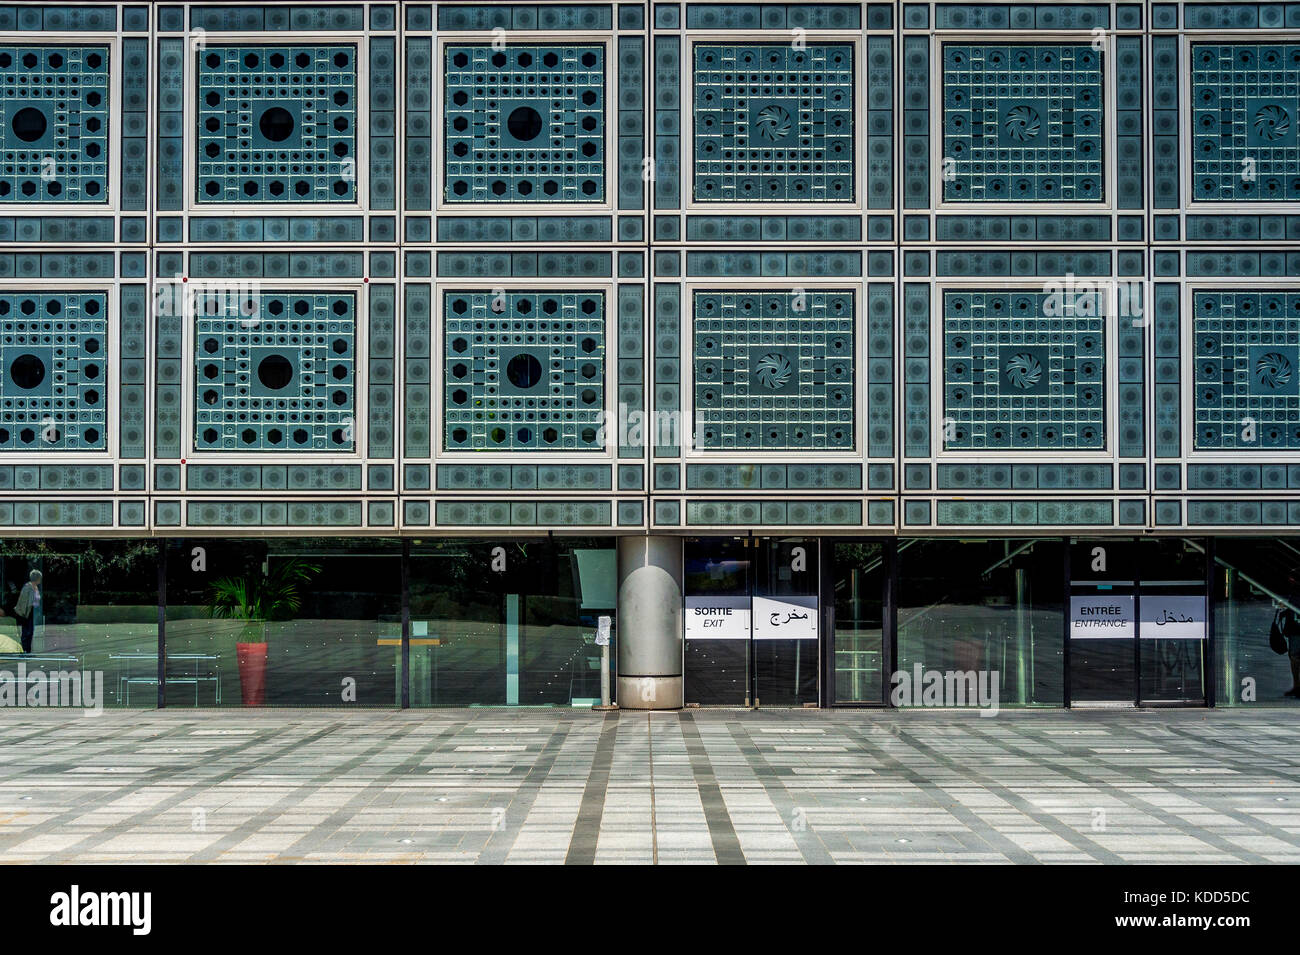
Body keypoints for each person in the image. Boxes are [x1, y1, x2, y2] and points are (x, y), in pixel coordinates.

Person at [8, 570, 41, 653]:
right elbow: (25, 602)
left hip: (31, 612)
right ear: (37, 578)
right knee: (26, 632)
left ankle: (27, 650)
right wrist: (25, 613)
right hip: (26, 612)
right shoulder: (28, 587)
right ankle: (24, 650)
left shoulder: (34, 587)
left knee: (29, 632)